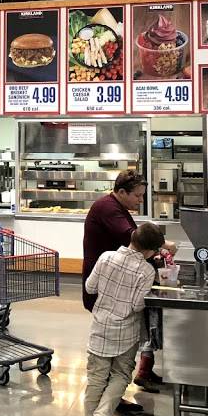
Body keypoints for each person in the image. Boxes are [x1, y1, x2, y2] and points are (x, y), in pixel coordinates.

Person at [81, 170, 164, 396]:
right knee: (108, 351)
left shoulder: (119, 207)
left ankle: (116, 394)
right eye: (137, 195)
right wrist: (161, 245)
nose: (140, 200)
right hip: (105, 285)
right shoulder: (108, 208)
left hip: (113, 284)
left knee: (119, 347)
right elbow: (132, 236)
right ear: (121, 192)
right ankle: (108, 401)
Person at [83, 222, 166, 416]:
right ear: (150, 251)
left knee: (96, 378)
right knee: (120, 375)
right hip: (126, 332)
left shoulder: (106, 257)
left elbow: (90, 287)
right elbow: (137, 305)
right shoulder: (146, 271)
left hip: (100, 327)